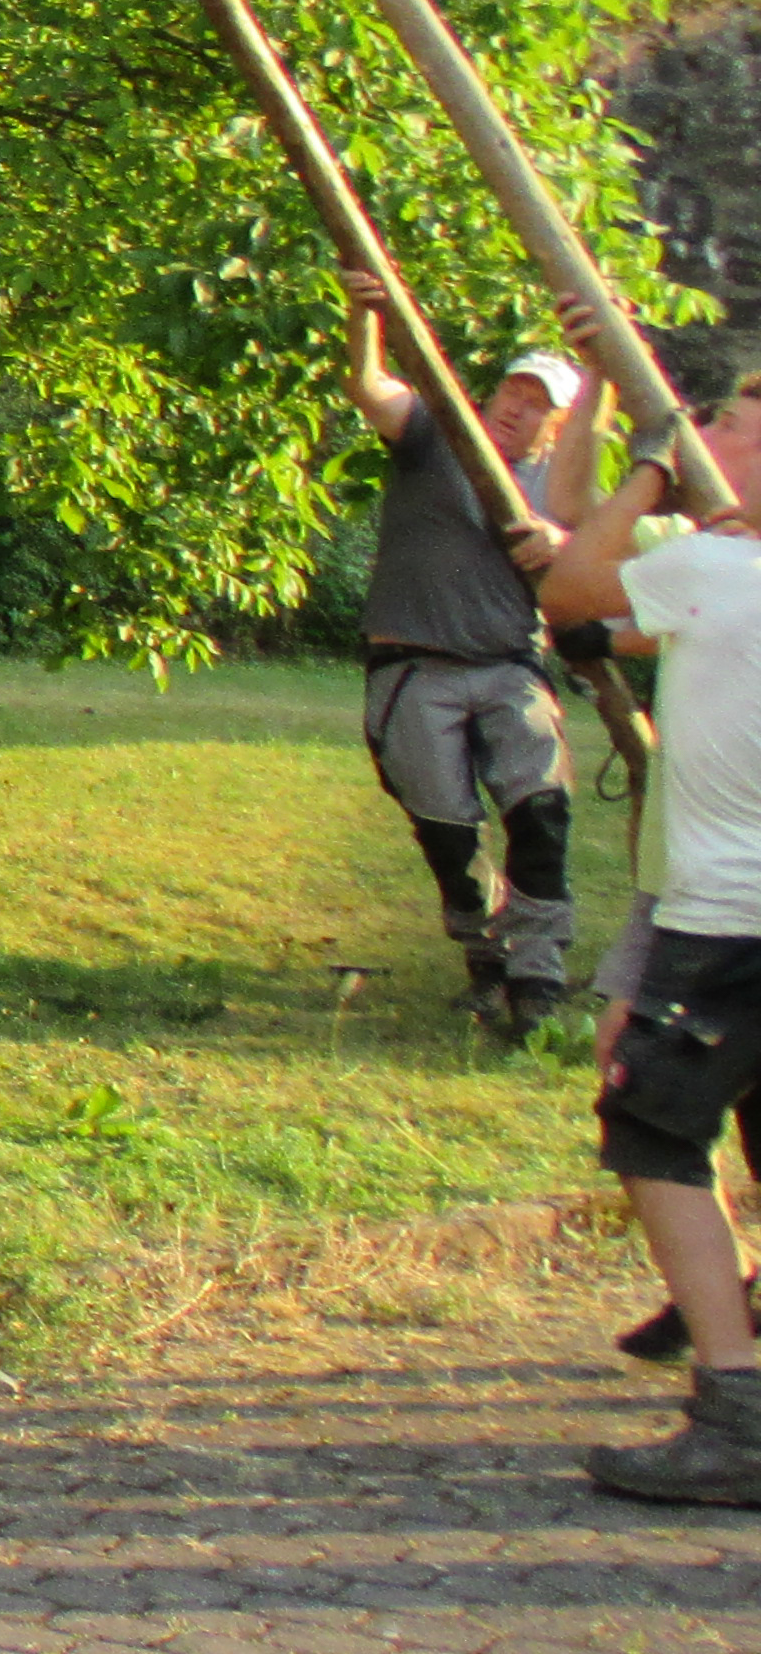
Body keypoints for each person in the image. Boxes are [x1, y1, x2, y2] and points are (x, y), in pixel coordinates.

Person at [538, 392, 761, 1505]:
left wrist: (651, 475)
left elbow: (572, 589)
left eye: (725, 425)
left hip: (727, 920)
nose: (702, 437)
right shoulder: (713, 574)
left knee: (652, 1130)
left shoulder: (717, 570)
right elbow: (603, 624)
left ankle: (737, 1417)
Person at [335, 273, 585, 1043]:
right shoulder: (435, 434)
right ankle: (486, 963)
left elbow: (595, 568)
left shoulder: (561, 486)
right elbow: (369, 386)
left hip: (510, 666)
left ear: (556, 426)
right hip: (415, 665)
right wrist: (365, 314)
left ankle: (538, 977)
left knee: (541, 815)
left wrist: (562, 544)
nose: (518, 407)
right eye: (514, 390)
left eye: (538, 403)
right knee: (450, 834)